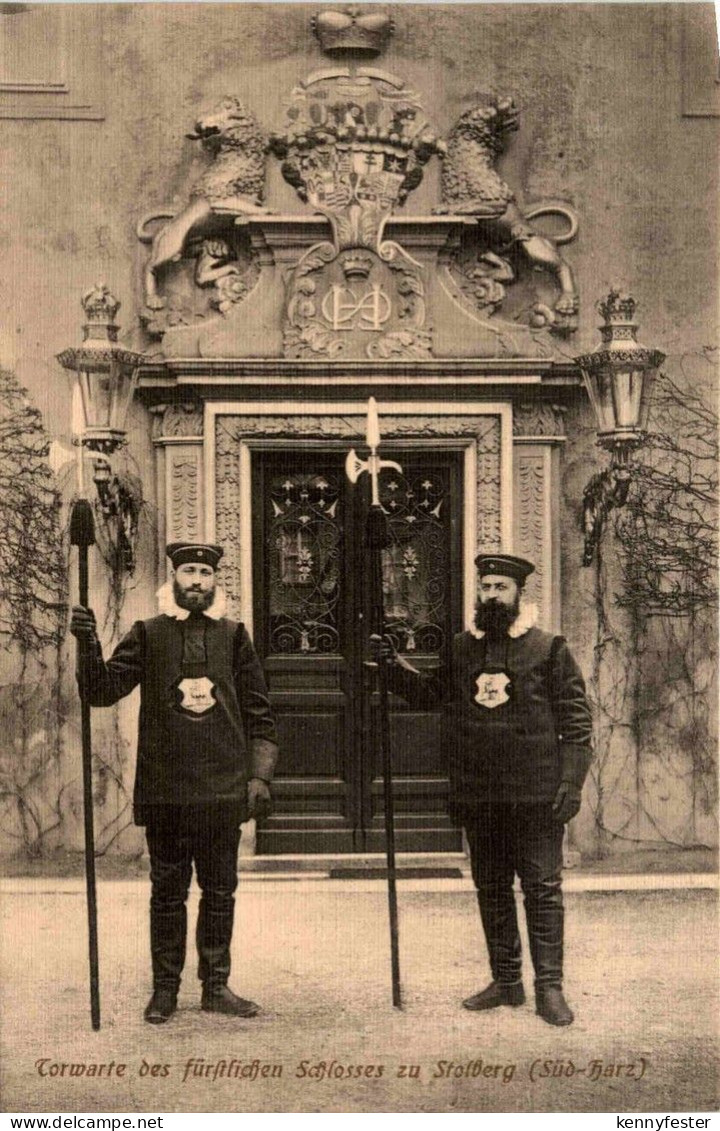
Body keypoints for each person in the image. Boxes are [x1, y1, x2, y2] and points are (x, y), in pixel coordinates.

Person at [372, 553, 592, 1026]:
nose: (491, 595)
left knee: (542, 888)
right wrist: (392, 667)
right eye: (486, 587)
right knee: (491, 887)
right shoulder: (461, 648)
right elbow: (431, 695)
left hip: (535, 793)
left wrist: (571, 782)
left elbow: (576, 721)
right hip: (480, 793)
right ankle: (506, 981)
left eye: (500, 587)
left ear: (518, 594)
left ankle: (549, 987)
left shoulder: (549, 648)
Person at [70, 542, 279, 1025]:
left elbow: (260, 714)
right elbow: (101, 691)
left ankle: (216, 986)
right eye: (189, 571)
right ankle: (164, 990)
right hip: (166, 792)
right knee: (167, 893)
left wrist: (259, 775)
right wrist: (88, 645)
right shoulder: (148, 634)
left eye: (205, 572)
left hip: (223, 790)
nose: (198, 581)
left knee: (220, 892)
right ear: (174, 577)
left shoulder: (234, 636)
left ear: (215, 579)